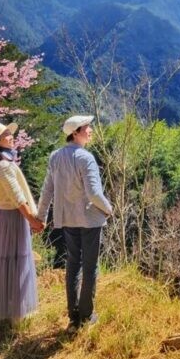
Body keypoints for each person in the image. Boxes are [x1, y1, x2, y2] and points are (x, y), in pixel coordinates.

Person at [37, 115, 113, 331]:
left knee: (73, 264)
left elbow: (47, 190)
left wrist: (41, 217)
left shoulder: (55, 157)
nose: (90, 130)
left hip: (67, 219)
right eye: (87, 127)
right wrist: (108, 209)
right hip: (89, 219)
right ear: (76, 132)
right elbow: (94, 193)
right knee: (90, 266)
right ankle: (87, 315)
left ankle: (74, 317)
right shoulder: (86, 158)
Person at [0, 122, 44, 329]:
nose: (11, 136)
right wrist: (32, 220)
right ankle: (15, 313)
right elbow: (18, 198)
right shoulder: (4, 165)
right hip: (11, 218)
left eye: (10, 133)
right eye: (7, 135)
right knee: (15, 262)